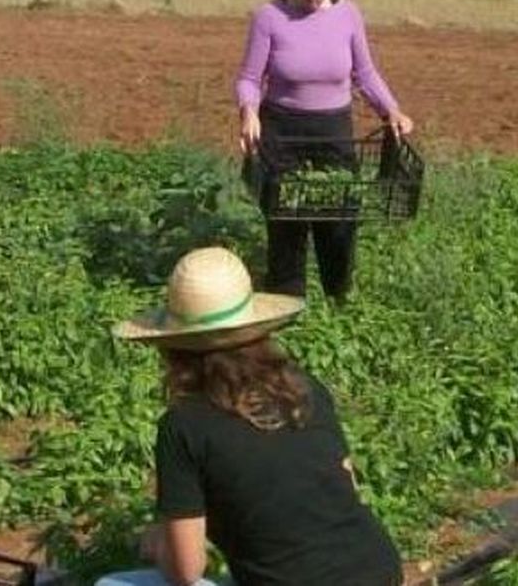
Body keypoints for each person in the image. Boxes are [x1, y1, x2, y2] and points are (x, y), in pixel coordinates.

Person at [99, 246, 403, 586]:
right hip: (380, 571)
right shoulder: (306, 389)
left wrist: (159, 544)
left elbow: (186, 571)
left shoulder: (183, 426)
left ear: (173, 348)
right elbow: (343, 483)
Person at [235, 0, 415, 304]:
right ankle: (285, 302)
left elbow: (365, 73)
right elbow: (249, 78)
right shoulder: (269, 17)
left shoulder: (348, 15)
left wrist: (391, 109)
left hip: (333, 129)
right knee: (286, 217)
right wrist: (248, 111)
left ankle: (339, 297)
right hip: (283, 129)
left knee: (338, 216)